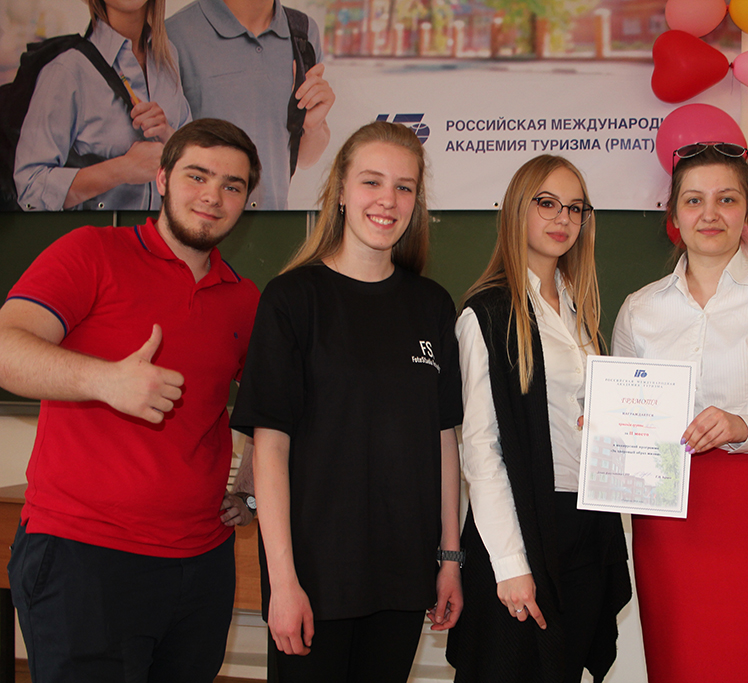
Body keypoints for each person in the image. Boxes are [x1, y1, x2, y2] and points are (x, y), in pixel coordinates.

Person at [0, 118, 263, 682]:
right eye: (197, 176)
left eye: (232, 185)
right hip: (84, 557)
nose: (213, 196)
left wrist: (251, 491)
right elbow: (4, 347)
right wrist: (105, 381)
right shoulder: (91, 251)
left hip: (201, 565)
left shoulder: (245, 299)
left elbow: (276, 408)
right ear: (162, 179)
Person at [229, 120, 463, 682]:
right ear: (340, 190)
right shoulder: (292, 299)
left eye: (404, 187)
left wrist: (450, 558)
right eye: (371, 182)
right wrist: (282, 582)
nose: (388, 200)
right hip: (314, 577)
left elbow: (443, 440)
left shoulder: (431, 305)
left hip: (403, 574)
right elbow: (270, 446)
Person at [611, 142, 748, 683]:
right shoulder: (639, 309)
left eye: (727, 199)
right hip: (671, 520)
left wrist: (743, 426)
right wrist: (607, 428)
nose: (710, 213)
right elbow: (626, 415)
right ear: (674, 214)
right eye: (694, 200)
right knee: (682, 664)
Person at [446, 155, 632, 683]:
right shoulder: (485, 314)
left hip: (585, 526)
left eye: (575, 208)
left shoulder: (581, 314)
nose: (563, 218)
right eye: (547, 203)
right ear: (516, 210)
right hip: (521, 530)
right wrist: (510, 565)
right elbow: (481, 452)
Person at [14, 0, 192, 211]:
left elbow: (196, 166)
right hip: (100, 231)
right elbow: (31, 189)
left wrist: (169, 136)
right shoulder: (67, 70)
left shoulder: (168, 56)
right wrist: (122, 169)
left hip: (161, 231)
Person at [167, 0, 335, 210]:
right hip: (204, 219)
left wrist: (312, 125)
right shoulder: (175, 34)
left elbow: (306, 158)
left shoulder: (303, 31)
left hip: (272, 218)